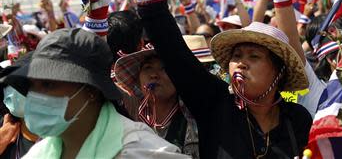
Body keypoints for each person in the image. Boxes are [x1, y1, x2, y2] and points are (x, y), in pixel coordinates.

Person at [111, 0, 313, 158]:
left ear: (278, 70)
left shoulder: (298, 120)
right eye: (236, 55)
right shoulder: (215, 104)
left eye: (254, 56)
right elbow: (174, 53)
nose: (241, 62)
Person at [2, 28, 188, 158]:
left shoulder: (142, 151)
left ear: (91, 91)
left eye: (49, 84)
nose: (36, 95)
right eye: (32, 86)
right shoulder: (40, 154)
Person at [114, 37, 213, 159]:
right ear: (138, 79)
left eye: (164, 68)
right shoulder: (128, 115)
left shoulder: (195, 119)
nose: (154, 75)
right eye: (148, 68)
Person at [0, 53, 38, 158]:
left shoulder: (62, 137)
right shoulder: (4, 126)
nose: (10, 89)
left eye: (19, 83)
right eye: (7, 83)